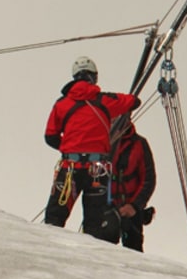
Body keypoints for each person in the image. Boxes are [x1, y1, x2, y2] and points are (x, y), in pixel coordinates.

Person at [43, 56, 140, 243]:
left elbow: (50, 136)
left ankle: (48, 251)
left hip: (70, 167)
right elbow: (134, 101)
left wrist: (69, 146)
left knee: (54, 218)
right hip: (97, 170)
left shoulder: (61, 104)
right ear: (94, 77)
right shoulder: (105, 100)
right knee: (94, 225)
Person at [112, 118, 156, 252]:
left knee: (134, 252)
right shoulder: (100, 143)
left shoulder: (139, 144)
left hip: (131, 210)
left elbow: (148, 180)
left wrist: (134, 206)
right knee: (98, 250)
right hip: (105, 208)